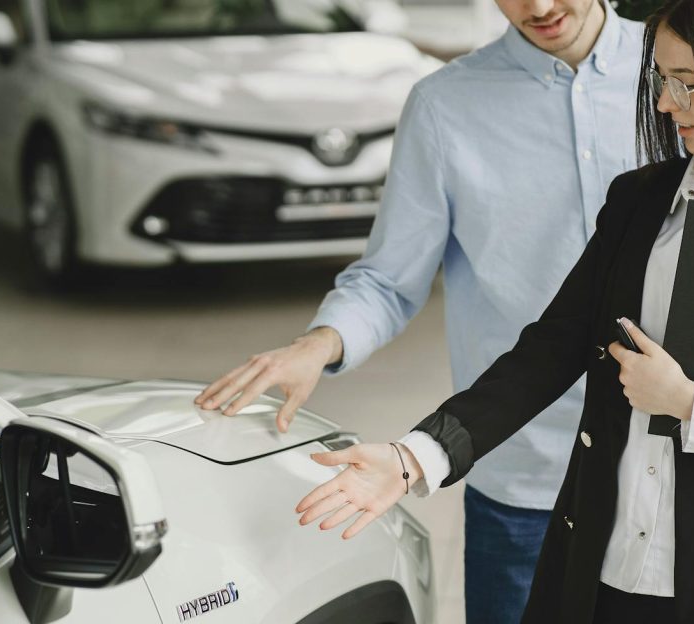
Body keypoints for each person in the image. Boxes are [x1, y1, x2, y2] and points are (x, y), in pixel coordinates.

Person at [292, 0, 694, 621]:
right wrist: (412, 457)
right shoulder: (640, 202)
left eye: (687, 85)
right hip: (603, 571)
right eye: (661, 82)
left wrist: (693, 404)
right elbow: (548, 350)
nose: (667, 105)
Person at [194, 0, 644, 620]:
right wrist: (317, 344)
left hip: (668, 463)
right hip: (522, 471)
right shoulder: (444, 106)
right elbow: (388, 278)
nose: (537, 8)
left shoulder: (683, 76)